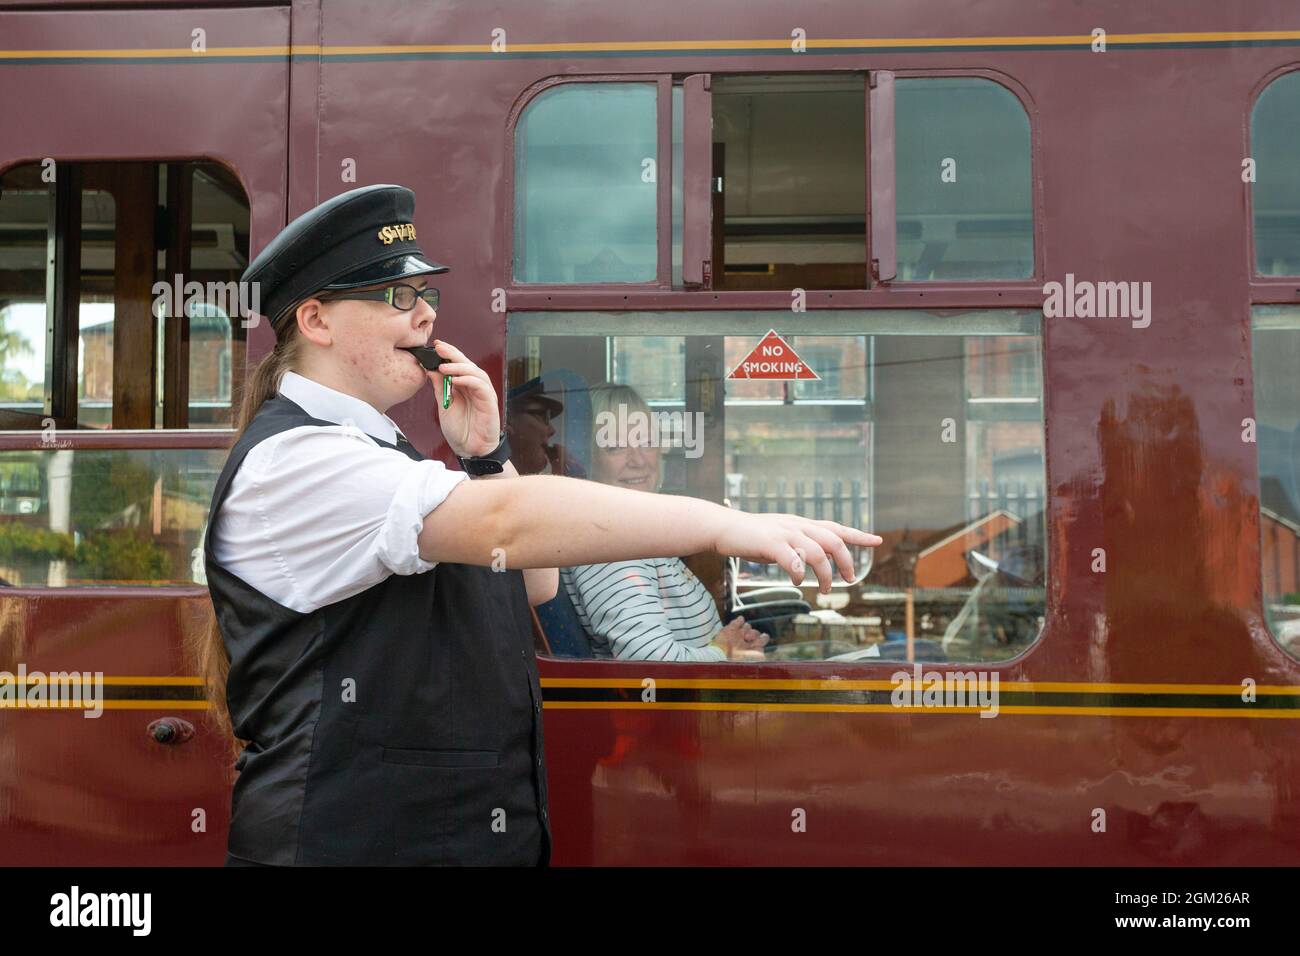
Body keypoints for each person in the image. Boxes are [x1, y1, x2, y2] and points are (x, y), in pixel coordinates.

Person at [197, 184, 882, 867]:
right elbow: (510, 525)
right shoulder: (301, 458)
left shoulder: (376, 453)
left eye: (426, 296)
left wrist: (487, 455)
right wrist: (725, 525)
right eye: (398, 298)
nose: (425, 317)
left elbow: (532, 585)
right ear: (316, 321)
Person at [562, 383, 767, 662]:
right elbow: (650, 661)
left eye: (645, 442)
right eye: (615, 446)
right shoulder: (610, 544)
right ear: (587, 457)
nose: (637, 461)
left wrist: (731, 644)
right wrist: (723, 652)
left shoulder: (637, 530)